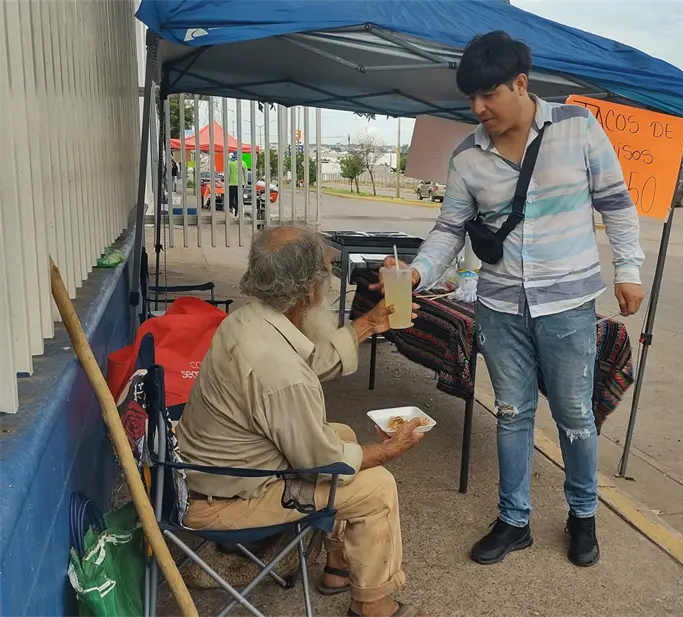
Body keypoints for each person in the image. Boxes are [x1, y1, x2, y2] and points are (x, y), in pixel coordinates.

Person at [376, 31, 645, 568]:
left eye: (489, 95)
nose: (478, 109)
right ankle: (513, 520)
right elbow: (449, 230)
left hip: (568, 305)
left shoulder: (577, 128)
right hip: (498, 306)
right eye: (470, 99)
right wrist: (416, 271)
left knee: (574, 416)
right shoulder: (467, 155)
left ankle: (582, 516)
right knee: (511, 413)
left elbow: (616, 203)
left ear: (521, 83)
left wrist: (629, 268)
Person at [176, 226, 431, 617]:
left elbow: (305, 365)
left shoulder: (249, 321)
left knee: (342, 433)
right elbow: (319, 460)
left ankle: (338, 567)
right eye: (326, 276)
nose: (328, 286)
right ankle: (373, 605)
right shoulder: (276, 369)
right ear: (309, 290)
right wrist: (386, 450)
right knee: (377, 485)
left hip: (212, 474)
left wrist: (366, 324)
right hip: (226, 502)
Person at [226, 152, 247, 217]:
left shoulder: (229, 162)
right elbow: (245, 174)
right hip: (241, 184)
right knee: (239, 199)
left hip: (232, 184)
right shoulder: (243, 163)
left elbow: (228, 173)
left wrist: (227, 182)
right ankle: (238, 214)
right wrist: (245, 183)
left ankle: (235, 208)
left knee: (230, 199)